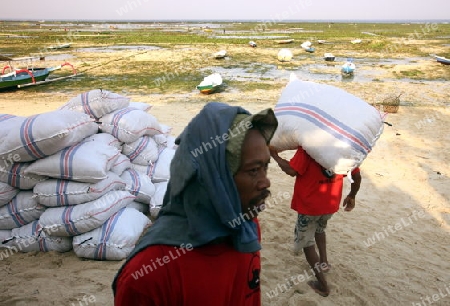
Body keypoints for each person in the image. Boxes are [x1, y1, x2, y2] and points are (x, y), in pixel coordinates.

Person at [113, 102, 278, 305]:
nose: (265, 181)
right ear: (214, 179)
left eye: (265, 167)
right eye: (253, 170)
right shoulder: (149, 274)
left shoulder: (246, 230)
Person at [269, 146, 361, 297]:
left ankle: (323, 286)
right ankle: (323, 262)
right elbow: (356, 177)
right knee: (320, 229)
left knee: (307, 243)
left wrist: (274, 155)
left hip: (309, 206)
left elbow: (291, 170)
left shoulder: (308, 147)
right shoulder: (344, 149)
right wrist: (352, 195)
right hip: (330, 205)